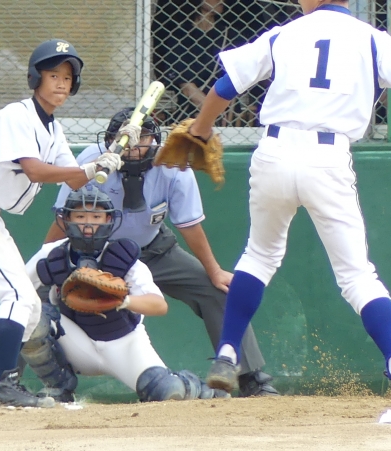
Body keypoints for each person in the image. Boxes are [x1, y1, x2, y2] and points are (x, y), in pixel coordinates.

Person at [190, 0, 391, 399]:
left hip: (274, 152)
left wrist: (200, 128)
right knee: (356, 276)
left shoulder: (284, 33)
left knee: (259, 256)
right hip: (328, 158)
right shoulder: (372, 38)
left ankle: (227, 355)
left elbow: (226, 86)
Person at [0, 39, 123, 408]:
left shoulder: (53, 129)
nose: (61, 83)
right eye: (53, 75)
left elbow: (74, 180)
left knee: (29, 304)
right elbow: (35, 170)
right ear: (36, 78)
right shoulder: (17, 115)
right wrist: (89, 169)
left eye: (67, 77)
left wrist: (107, 158)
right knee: (17, 295)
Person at [44, 108, 279, 397]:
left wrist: (214, 270)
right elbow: (64, 217)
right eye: (123, 138)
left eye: (142, 138)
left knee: (217, 291)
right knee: (35, 298)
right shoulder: (92, 161)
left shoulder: (172, 163)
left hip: (155, 250)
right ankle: (24, 380)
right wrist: (45, 258)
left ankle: (250, 378)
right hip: (97, 256)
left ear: (154, 140)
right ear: (109, 140)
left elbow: (189, 225)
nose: (133, 145)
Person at [21, 186, 229, 402]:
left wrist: (122, 300)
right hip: (75, 342)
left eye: (96, 217)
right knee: (32, 315)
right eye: (80, 216)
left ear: (109, 220)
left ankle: (197, 387)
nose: (88, 224)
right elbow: (17, 291)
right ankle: (58, 388)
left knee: (167, 391)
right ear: (66, 219)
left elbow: (159, 305)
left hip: (123, 343)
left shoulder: (122, 257)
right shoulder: (52, 254)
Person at [153, 0, 231, 123]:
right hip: (190, 113)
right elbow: (187, 88)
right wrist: (214, 113)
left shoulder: (230, 35)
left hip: (227, 113)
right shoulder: (180, 36)